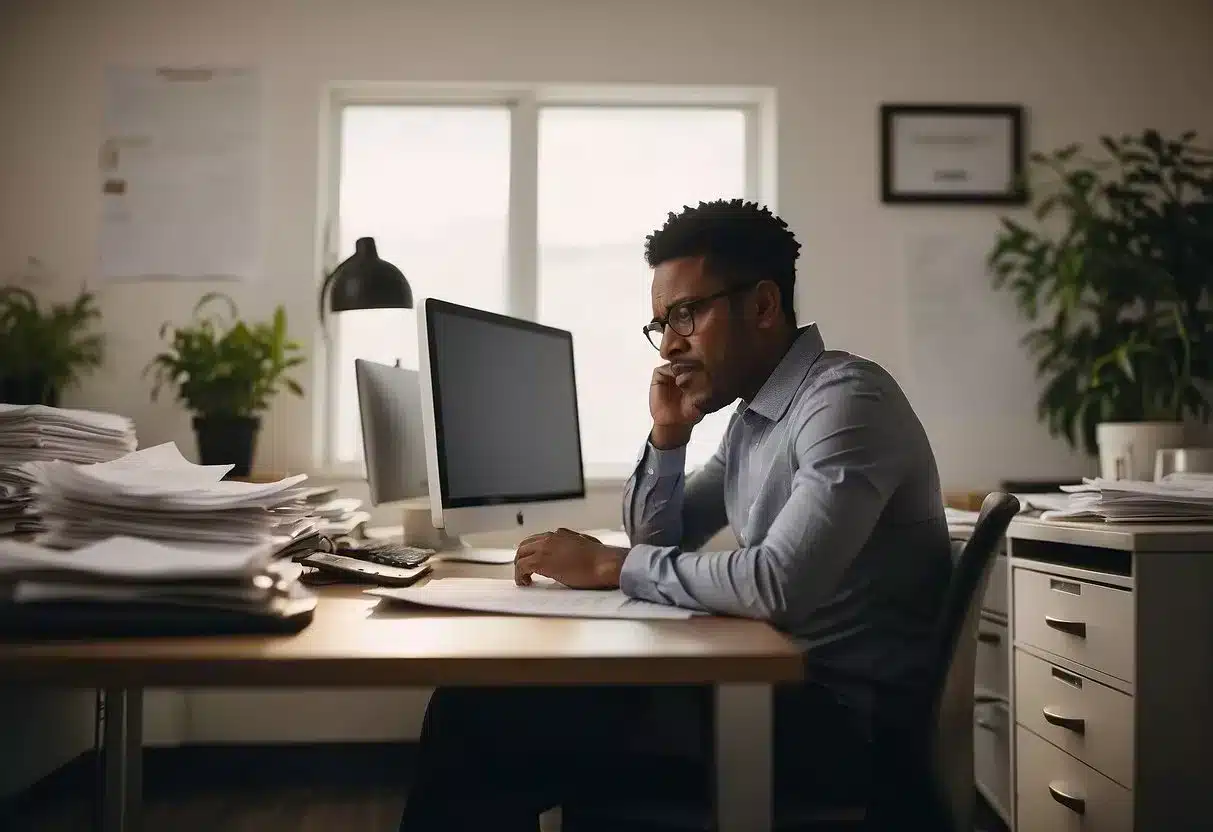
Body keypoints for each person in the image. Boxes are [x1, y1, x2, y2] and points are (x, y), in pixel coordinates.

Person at [398, 199, 953, 831]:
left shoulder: (846, 403)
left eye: (685, 314)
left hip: (838, 728)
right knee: (487, 708)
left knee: (478, 718)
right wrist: (668, 436)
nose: (669, 344)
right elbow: (660, 534)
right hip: (772, 691)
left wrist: (610, 564)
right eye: (660, 323)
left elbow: (778, 586)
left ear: (764, 305)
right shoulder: (754, 417)